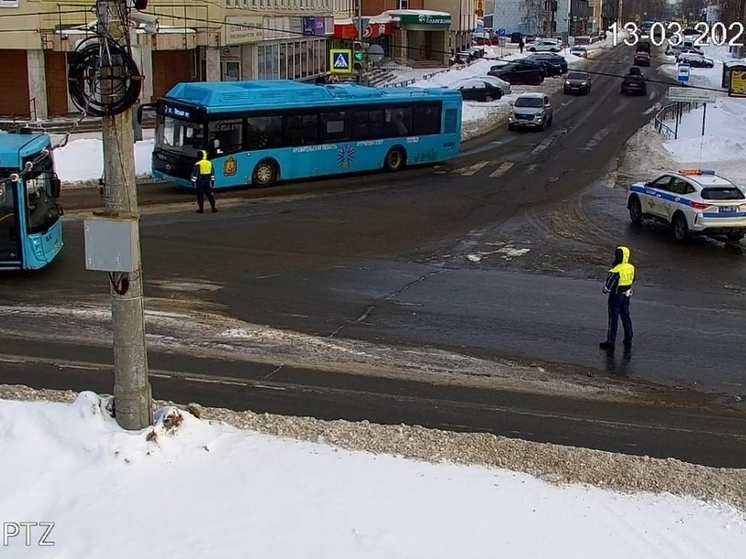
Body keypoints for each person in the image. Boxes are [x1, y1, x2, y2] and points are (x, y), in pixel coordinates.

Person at [600, 246, 635, 350]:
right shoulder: (631, 267)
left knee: (613, 319)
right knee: (626, 316)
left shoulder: (615, 270)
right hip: (626, 295)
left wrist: (605, 290)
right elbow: (632, 280)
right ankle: (628, 337)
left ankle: (611, 341)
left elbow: (607, 288)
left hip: (615, 296)